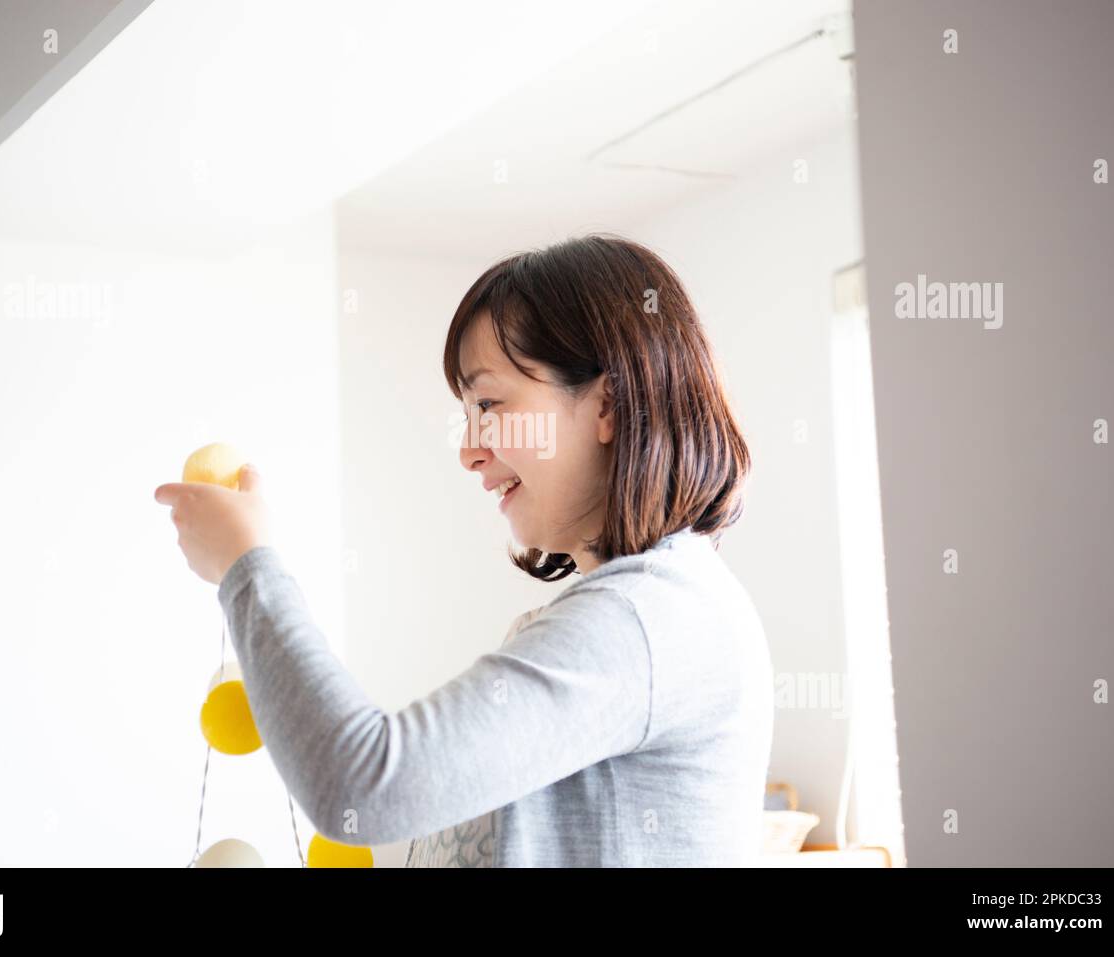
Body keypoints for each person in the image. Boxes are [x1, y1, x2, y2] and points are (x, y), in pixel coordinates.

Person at [154, 233, 774, 866]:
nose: (469, 449)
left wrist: (245, 566)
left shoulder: (646, 620)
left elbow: (364, 786)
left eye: (490, 403)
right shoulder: (637, 610)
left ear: (607, 405)